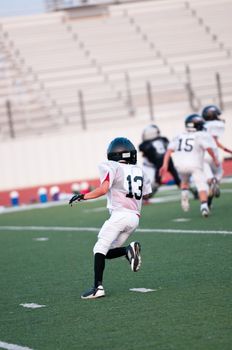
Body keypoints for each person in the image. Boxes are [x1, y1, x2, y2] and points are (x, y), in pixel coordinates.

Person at [69, 137, 152, 299]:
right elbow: (146, 193)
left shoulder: (111, 166)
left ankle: (97, 287)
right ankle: (128, 250)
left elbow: (103, 189)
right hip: (134, 218)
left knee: (99, 248)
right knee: (106, 252)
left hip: (119, 215)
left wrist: (82, 197)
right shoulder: (140, 170)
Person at [159, 114, 220, 217]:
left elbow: (169, 150)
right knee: (201, 186)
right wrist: (215, 159)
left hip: (180, 165)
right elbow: (208, 148)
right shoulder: (199, 135)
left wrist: (164, 165)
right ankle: (204, 206)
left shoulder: (178, 136)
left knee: (185, 182)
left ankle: (184, 196)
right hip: (195, 164)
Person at [202, 105, 232, 207]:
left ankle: (207, 204)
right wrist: (226, 149)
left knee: (207, 181)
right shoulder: (217, 124)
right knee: (219, 173)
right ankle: (214, 182)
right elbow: (214, 140)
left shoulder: (202, 125)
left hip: (202, 154)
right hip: (213, 153)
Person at [139, 124, 181, 195]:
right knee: (177, 179)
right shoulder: (163, 139)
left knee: (157, 181)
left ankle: (147, 196)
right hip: (168, 160)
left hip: (157, 163)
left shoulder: (144, 144)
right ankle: (190, 191)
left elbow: (144, 154)